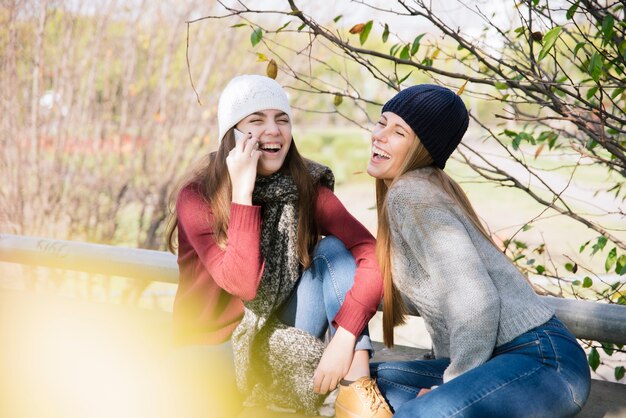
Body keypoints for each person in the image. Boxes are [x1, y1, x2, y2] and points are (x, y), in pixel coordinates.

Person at [165, 74, 392, 417]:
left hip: (277, 327)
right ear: (233, 135)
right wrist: (243, 194)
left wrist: (346, 339)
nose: (273, 130)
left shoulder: (306, 188)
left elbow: (371, 253)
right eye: (256, 120)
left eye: (282, 119)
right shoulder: (198, 196)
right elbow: (240, 282)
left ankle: (356, 390)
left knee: (332, 252)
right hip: (210, 340)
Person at [366, 84, 591, 417]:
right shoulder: (420, 187)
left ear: (423, 149)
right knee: (366, 384)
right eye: (382, 122)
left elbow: (477, 302)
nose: (379, 136)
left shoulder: (410, 194)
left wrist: (453, 384)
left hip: (542, 361)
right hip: (501, 360)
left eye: (398, 131)